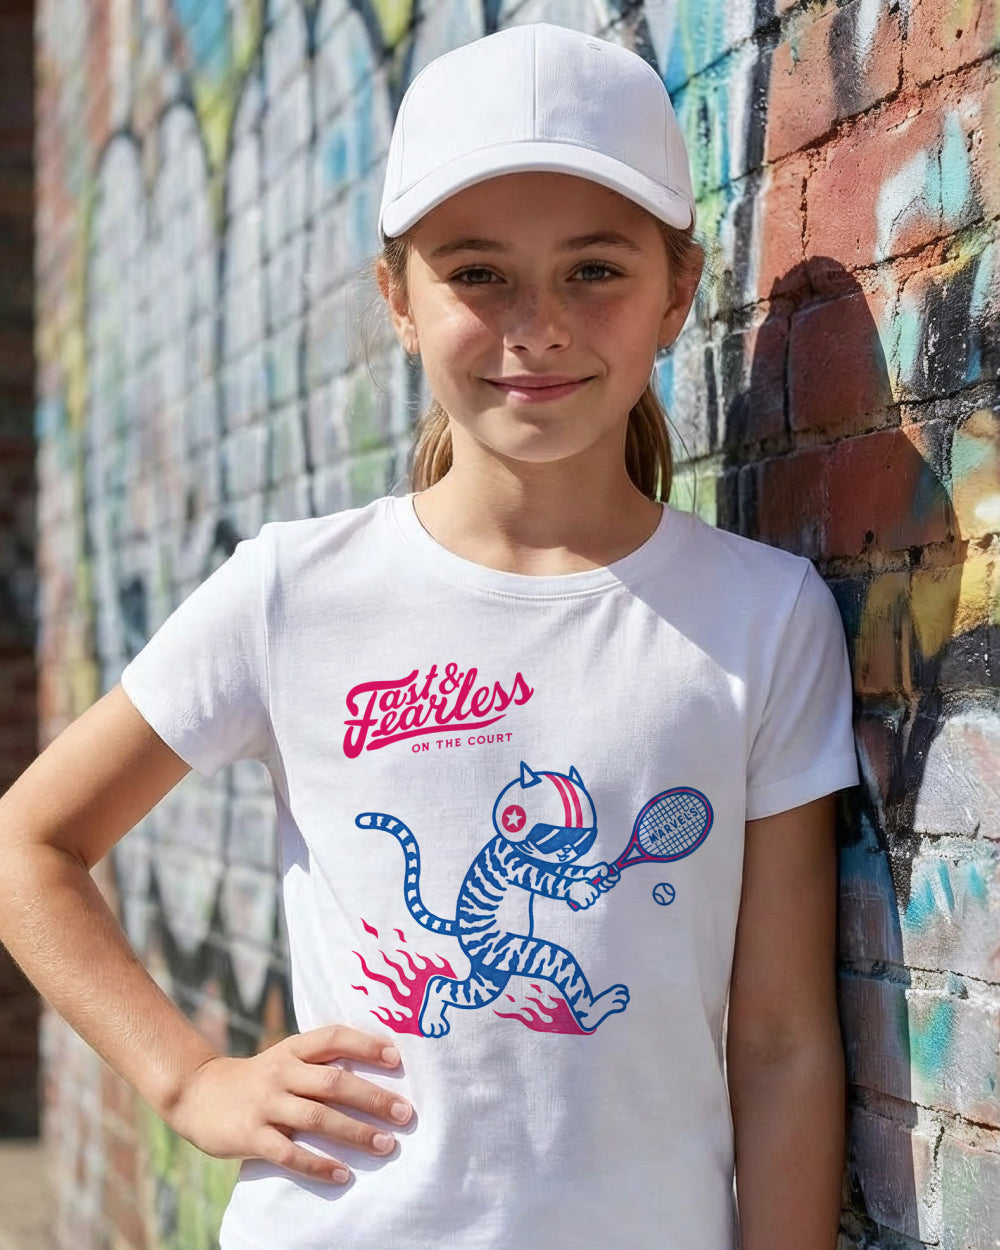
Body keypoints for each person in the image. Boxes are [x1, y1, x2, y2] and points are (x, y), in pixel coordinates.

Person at [0, 21, 860, 1250]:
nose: (538, 323)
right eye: (478, 272)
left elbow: (780, 1038)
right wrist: (190, 1080)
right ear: (397, 298)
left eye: (594, 270)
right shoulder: (294, 590)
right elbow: (27, 841)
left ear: (677, 290)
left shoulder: (763, 617)